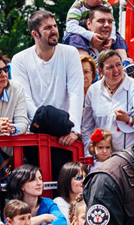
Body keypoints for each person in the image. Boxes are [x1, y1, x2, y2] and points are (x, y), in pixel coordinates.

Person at [12, 10, 84, 146]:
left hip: (66, 133)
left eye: (55, 26)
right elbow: (25, 98)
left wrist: (73, 129)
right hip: (35, 132)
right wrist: (43, 123)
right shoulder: (19, 59)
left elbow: (76, 92)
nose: (54, 30)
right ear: (35, 34)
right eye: (48, 28)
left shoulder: (70, 53)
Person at [82, 50, 134, 153]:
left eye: (118, 65)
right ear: (101, 71)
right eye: (110, 67)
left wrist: (129, 119)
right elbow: (87, 128)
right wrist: (89, 154)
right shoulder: (93, 90)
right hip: (103, 159)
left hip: (131, 156)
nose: (116, 70)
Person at [64, 1, 130, 62]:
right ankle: (85, 63)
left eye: (109, 21)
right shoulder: (77, 7)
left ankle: (124, 62)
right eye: (101, 21)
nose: (100, 1)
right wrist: (90, 35)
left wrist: (111, 38)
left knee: (117, 37)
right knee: (76, 38)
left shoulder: (105, 5)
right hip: (77, 33)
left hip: (88, 31)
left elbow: (112, 24)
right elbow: (71, 26)